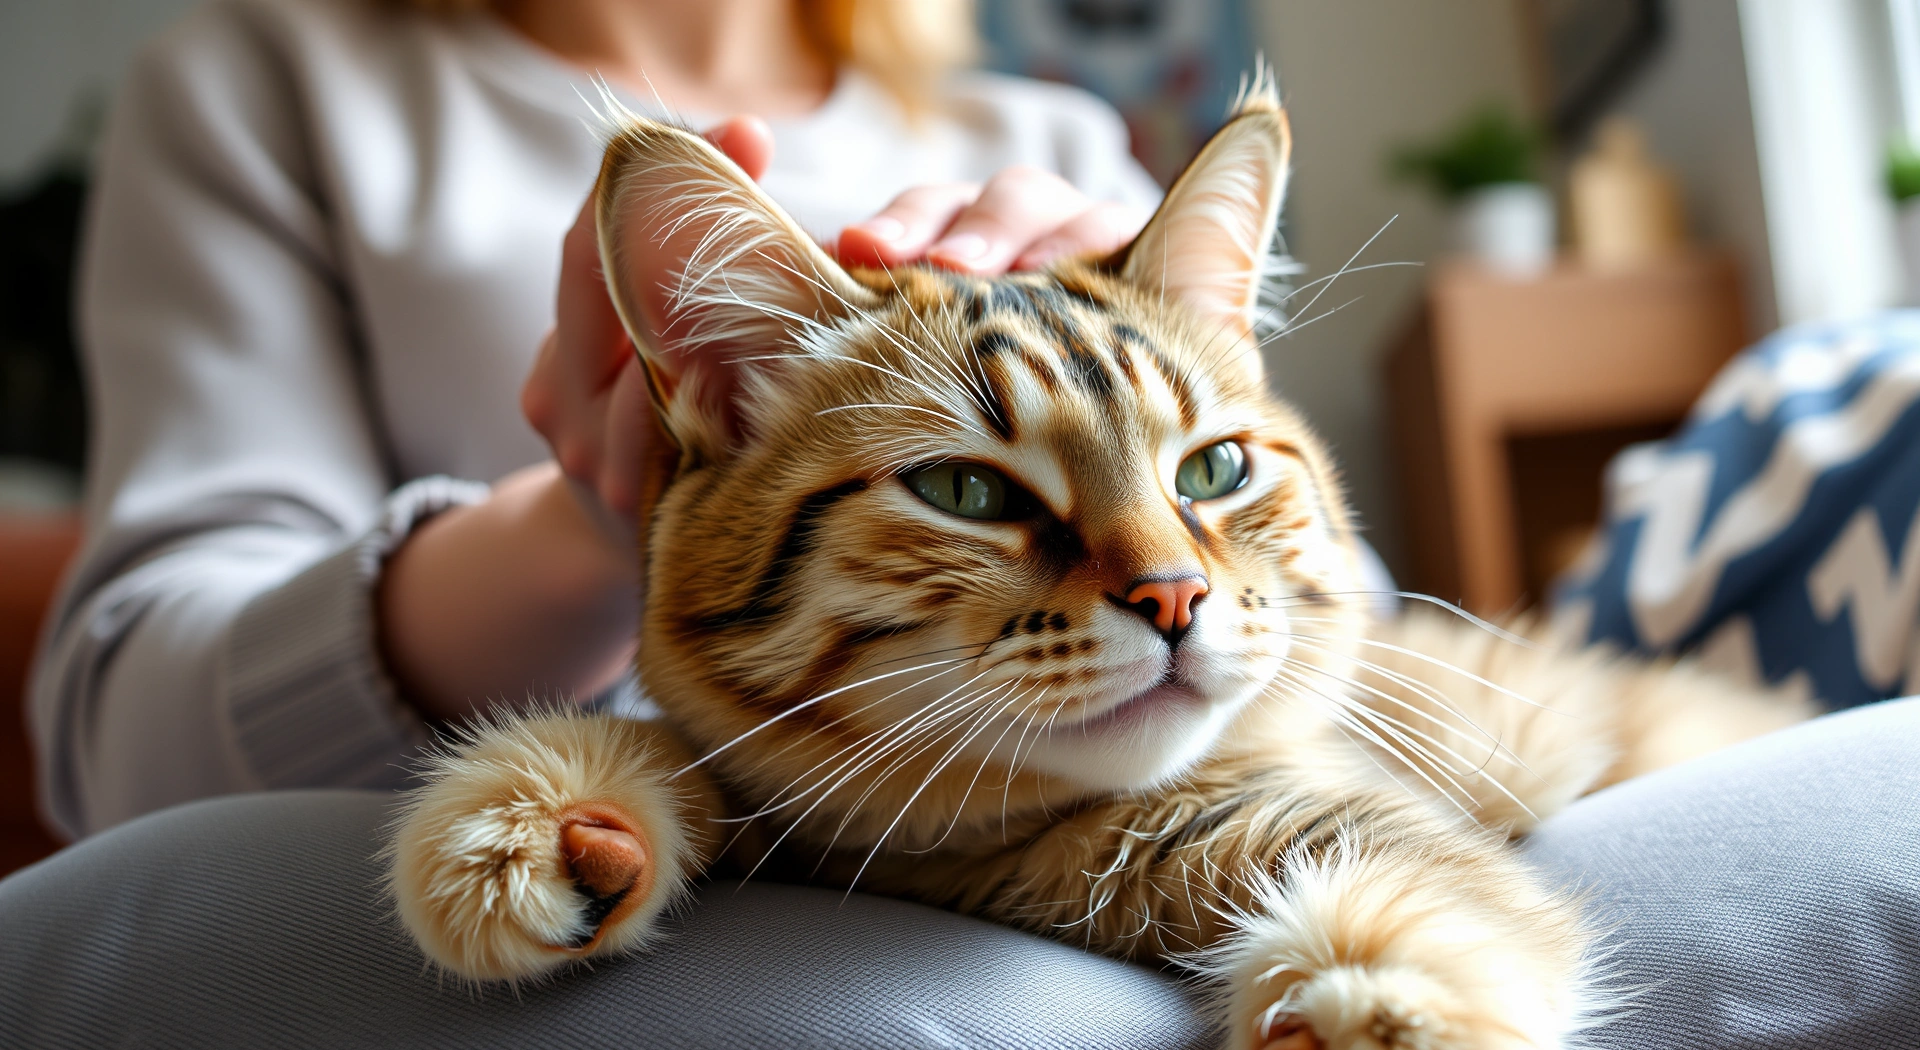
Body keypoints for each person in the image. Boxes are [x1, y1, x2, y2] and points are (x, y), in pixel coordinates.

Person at [27, 0, 1163, 839]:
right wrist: (595, 529)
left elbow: (1327, 636)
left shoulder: (1063, 147)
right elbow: (128, 765)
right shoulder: (267, 86)